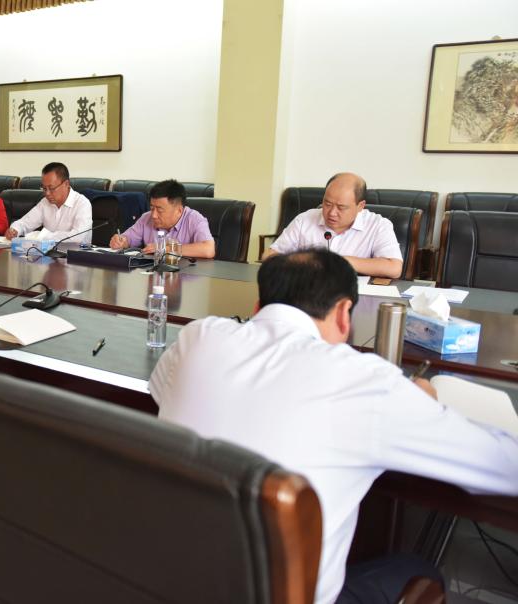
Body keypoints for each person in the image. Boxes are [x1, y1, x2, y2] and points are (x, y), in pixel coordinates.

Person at [149, 249, 518, 604]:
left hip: (157, 584)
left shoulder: (197, 337)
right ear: (344, 313)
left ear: (258, 306)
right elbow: (505, 466)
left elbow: (162, 392)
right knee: (417, 570)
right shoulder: (364, 380)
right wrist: (422, 405)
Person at [262, 172, 402, 278]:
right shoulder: (305, 219)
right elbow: (269, 255)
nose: (332, 213)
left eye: (341, 207)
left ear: (360, 206)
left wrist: (340, 262)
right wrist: (305, 262)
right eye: (327, 204)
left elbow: (394, 268)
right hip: (307, 292)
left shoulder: (378, 225)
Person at [109, 179, 215, 258]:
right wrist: (121, 241)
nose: (154, 215)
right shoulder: (146, 217)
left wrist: (165, 248)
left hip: (185, 276)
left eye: (159, 210)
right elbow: (128, 238)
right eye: (152, 208)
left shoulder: (195, 219)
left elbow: (208, 250)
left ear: (179, 210)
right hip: (152, 273)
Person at [6, 162, 93, 243]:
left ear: (66, 184)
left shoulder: (82, 204)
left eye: (51, 188)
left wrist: (42, 235)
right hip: (47, 253)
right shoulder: (45, 202)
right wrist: (14, 230)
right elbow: (25, 222)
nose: (47, 193)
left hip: (75, 253)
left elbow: (77, 237)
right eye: (44, 188)